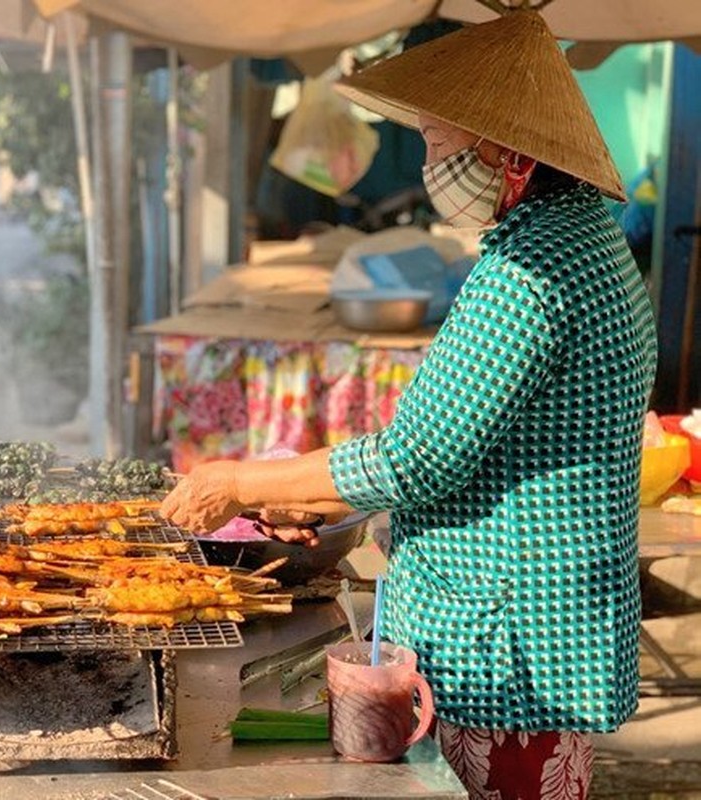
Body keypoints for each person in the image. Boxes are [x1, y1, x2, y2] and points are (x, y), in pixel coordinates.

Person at [160, 11, 657, 800]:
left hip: (508, 642)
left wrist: (240, 482)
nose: (427, 163)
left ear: (506, 152)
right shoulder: (583, 240)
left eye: (434, 143)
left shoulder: (528, 272)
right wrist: (310, 495)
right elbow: (473, 441)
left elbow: (415, 457)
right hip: (545, 623)